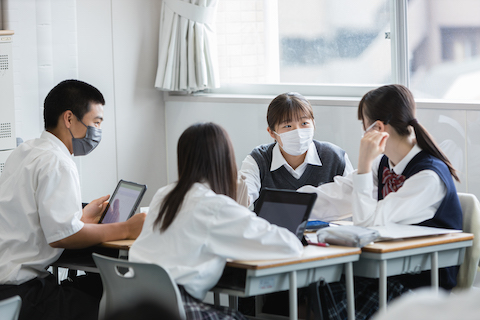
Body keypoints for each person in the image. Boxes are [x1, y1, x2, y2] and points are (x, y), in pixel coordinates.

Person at [300, 84, 463, 319]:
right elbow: (342, 194)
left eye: (363, 125)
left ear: (377, 128)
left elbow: (368, 222)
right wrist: (289, 205)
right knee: (315, 287)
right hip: (386, 272)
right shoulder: (384, 162)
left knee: (324, 295)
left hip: (420, 285)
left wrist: (364, 163)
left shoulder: (429, 176)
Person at [0, 80, 146, 320]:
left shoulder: (27, 151)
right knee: (118, 303)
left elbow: (32, 218)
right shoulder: (57, 162)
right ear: (69, 119)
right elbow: (63, 237)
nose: (98, 131)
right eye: (96, 122)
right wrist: (126, 228)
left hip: (8, 287)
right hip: (22, 292)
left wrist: (80, 217)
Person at [129, 122, 303, 320]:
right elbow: (289, 247)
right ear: (225, 160)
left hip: (133, 304)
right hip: (173, 309)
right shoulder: (213, 206)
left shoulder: (165, 194)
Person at [239, 92, 354, 212]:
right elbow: (243, 196)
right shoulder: (258, 160)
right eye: (288, 126)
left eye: (304, 123)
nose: (298, 132)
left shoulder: (335, 157)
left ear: (313, 124)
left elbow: (353, 199)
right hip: (272, 229)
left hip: (325, 230)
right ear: (272, 132)